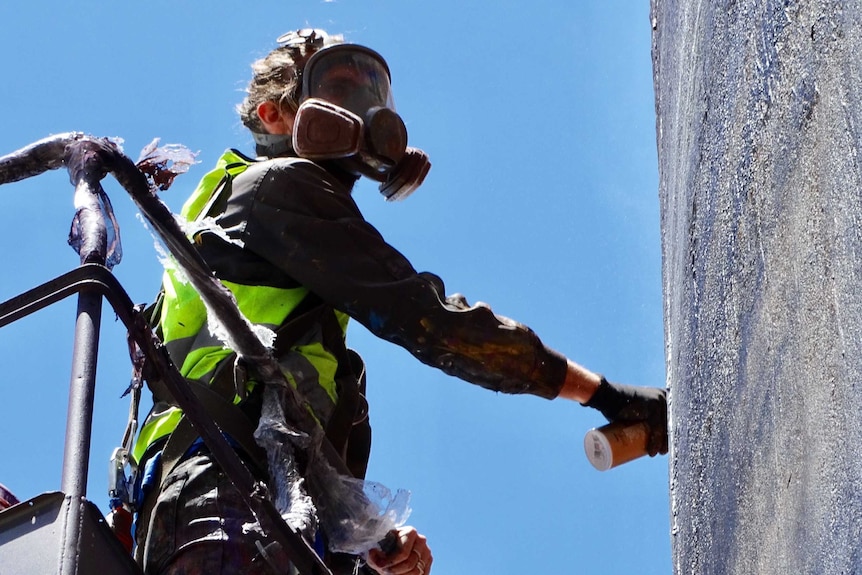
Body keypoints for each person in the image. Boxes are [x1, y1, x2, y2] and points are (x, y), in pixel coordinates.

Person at [130, 28, 668, 575]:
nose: (364, 112)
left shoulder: (243, 233)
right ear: (275, 116)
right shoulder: (277, 186)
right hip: (227, 492)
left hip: (224, 498)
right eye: (338, 89)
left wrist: (366, 541)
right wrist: (604, 396)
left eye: (372, 94)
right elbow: (428, 321)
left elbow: (283, 422)